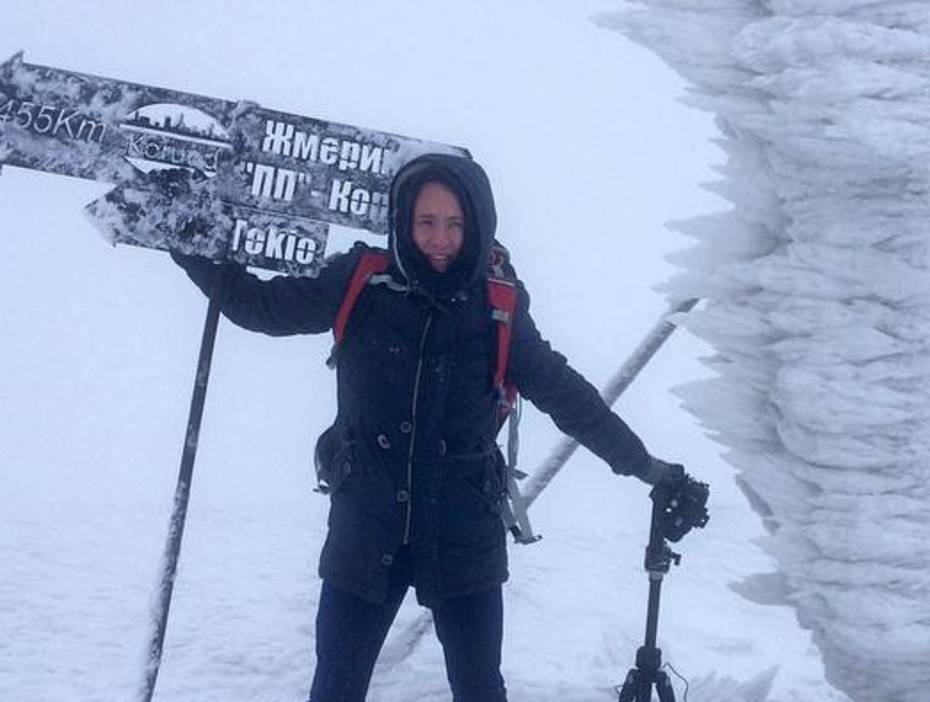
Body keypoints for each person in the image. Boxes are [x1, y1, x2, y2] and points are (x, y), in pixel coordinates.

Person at [170, 153, 689, 701]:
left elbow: (570, 399)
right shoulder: (361, 280)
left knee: (479, 690)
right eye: (426, 222)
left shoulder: (498, 304)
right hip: (366, 523)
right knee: (336, 689)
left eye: (454, 224)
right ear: (403, 221)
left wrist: (647, 467)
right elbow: (263, 308)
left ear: (477, 226)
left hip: (463, 529)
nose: (440, 239)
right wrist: (184, 233)